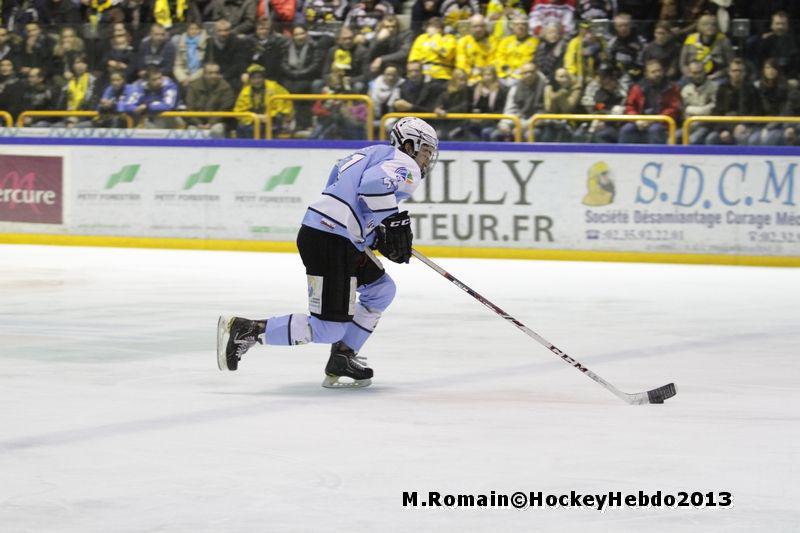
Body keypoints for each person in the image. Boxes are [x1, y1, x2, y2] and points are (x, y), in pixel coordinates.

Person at [217, 117, 439, 389]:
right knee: (328, 328)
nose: (427, 159)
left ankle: (342, 357)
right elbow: (372, 186)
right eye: (426, 151)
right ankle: (248, 330)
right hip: (332, 239)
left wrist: (374, 234)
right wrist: (392, 220)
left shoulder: (372, 152)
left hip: (333, 235)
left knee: (381, 290)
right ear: (409, 145)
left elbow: (340, 189)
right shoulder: (405, 163)